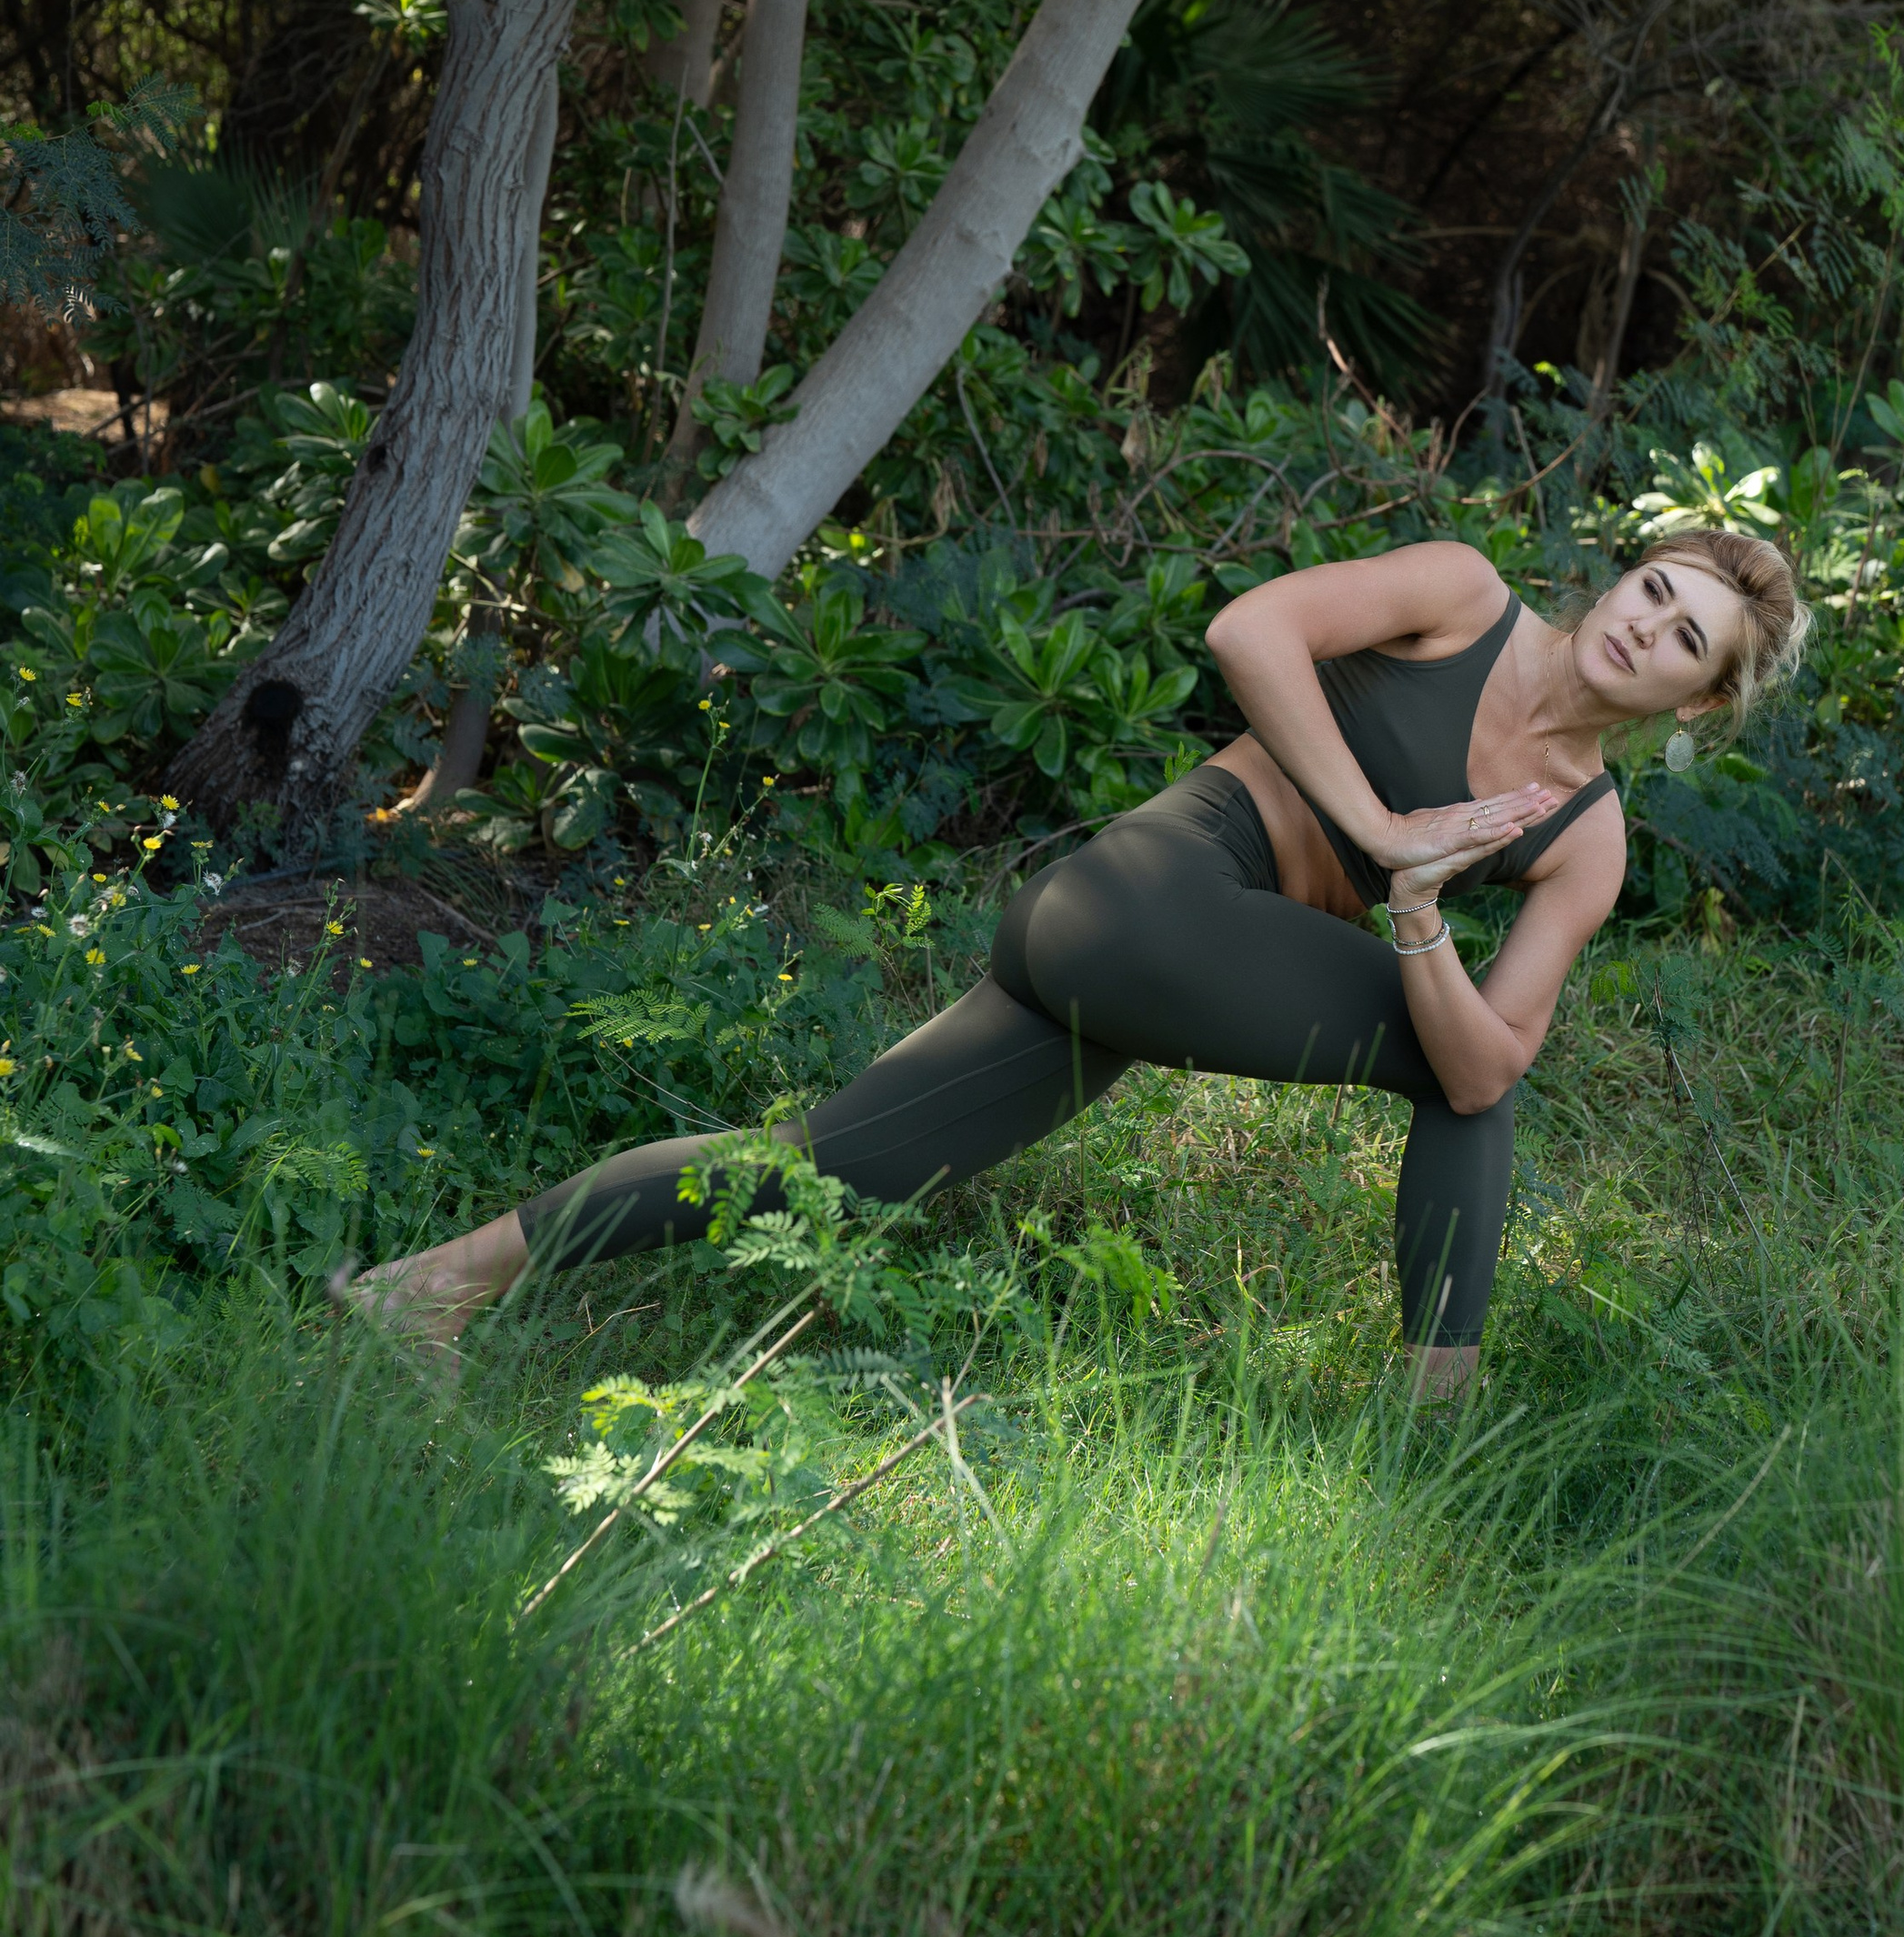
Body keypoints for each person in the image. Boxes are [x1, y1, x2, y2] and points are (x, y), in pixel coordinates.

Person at [340, 527, 1806, 1390]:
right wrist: (1378, 824)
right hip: (1142, 897)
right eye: (1654, 588)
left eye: (1689, 639)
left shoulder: (1586, 840)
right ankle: (1441, 1423)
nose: (1648, 627)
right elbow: (1250, 628)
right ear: (1618, 578)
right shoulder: (1460, 592)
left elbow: (1495, 1053)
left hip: (1153, 974)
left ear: (1700, 701)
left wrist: (1417, 908)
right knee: (1459, 1086)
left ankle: (424, 1287)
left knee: (813, 1165)